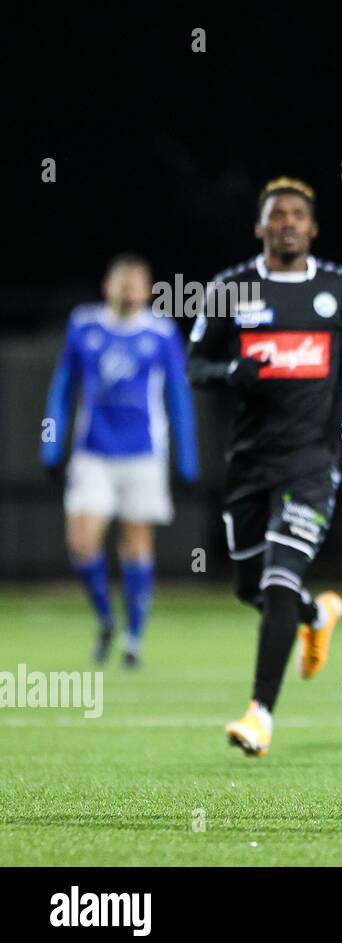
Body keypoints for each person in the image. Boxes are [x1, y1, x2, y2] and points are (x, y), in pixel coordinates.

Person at [187, 176, 342, 757]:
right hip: (247, 462)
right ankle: (318, 612)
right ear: (259, 227)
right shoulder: (229, 289)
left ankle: (259, 714)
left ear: (312, 227)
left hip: (312, 462)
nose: (286, 222)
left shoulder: (340, 287)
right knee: (248, 587)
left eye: (296, 214)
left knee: (278, 577)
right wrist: (225, 375)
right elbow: (194, 363)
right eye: (276, 214)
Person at [43, 253, 198, 667]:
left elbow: (178, 396)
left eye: (137, 283)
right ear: (106, 286)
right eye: (122, 282)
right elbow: (61, 386)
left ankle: (134, 637)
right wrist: (50, 443)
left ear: (148, 290)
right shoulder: (84, 325)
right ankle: (107, 618)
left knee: (135, 546)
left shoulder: (161, 332)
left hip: (143, 455)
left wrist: (188, 459)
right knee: (81, 542)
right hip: (93, 452)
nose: (129, 290)